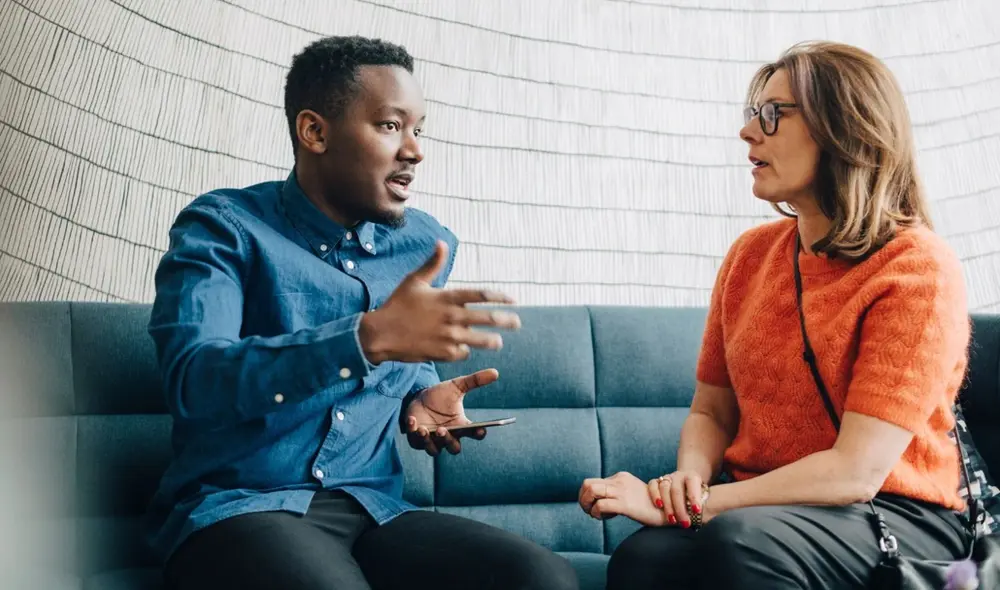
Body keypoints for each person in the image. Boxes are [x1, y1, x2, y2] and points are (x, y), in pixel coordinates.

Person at [145, 35, 578, 590]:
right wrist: (365, 337)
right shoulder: (224, 227)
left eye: (419, 129)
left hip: (372, 508)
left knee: (542, 578)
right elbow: (194, 380)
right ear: (315, 131)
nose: (415, 150)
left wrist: (421, 396)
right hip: (239, 509)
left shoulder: (425, 244)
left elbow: (403, 359)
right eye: (390, 125)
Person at [578, 41, 974, 589]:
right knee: (645, 561)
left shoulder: (917, 269)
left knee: (736, 545)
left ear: (846, 130)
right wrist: (688, 482)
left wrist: (703, 507)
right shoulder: (750, 256)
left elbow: (856, 472)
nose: (748, 132)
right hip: (762, 509)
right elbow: (712, 412)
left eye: (773, 114)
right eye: (751, 114)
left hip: (896, 514)